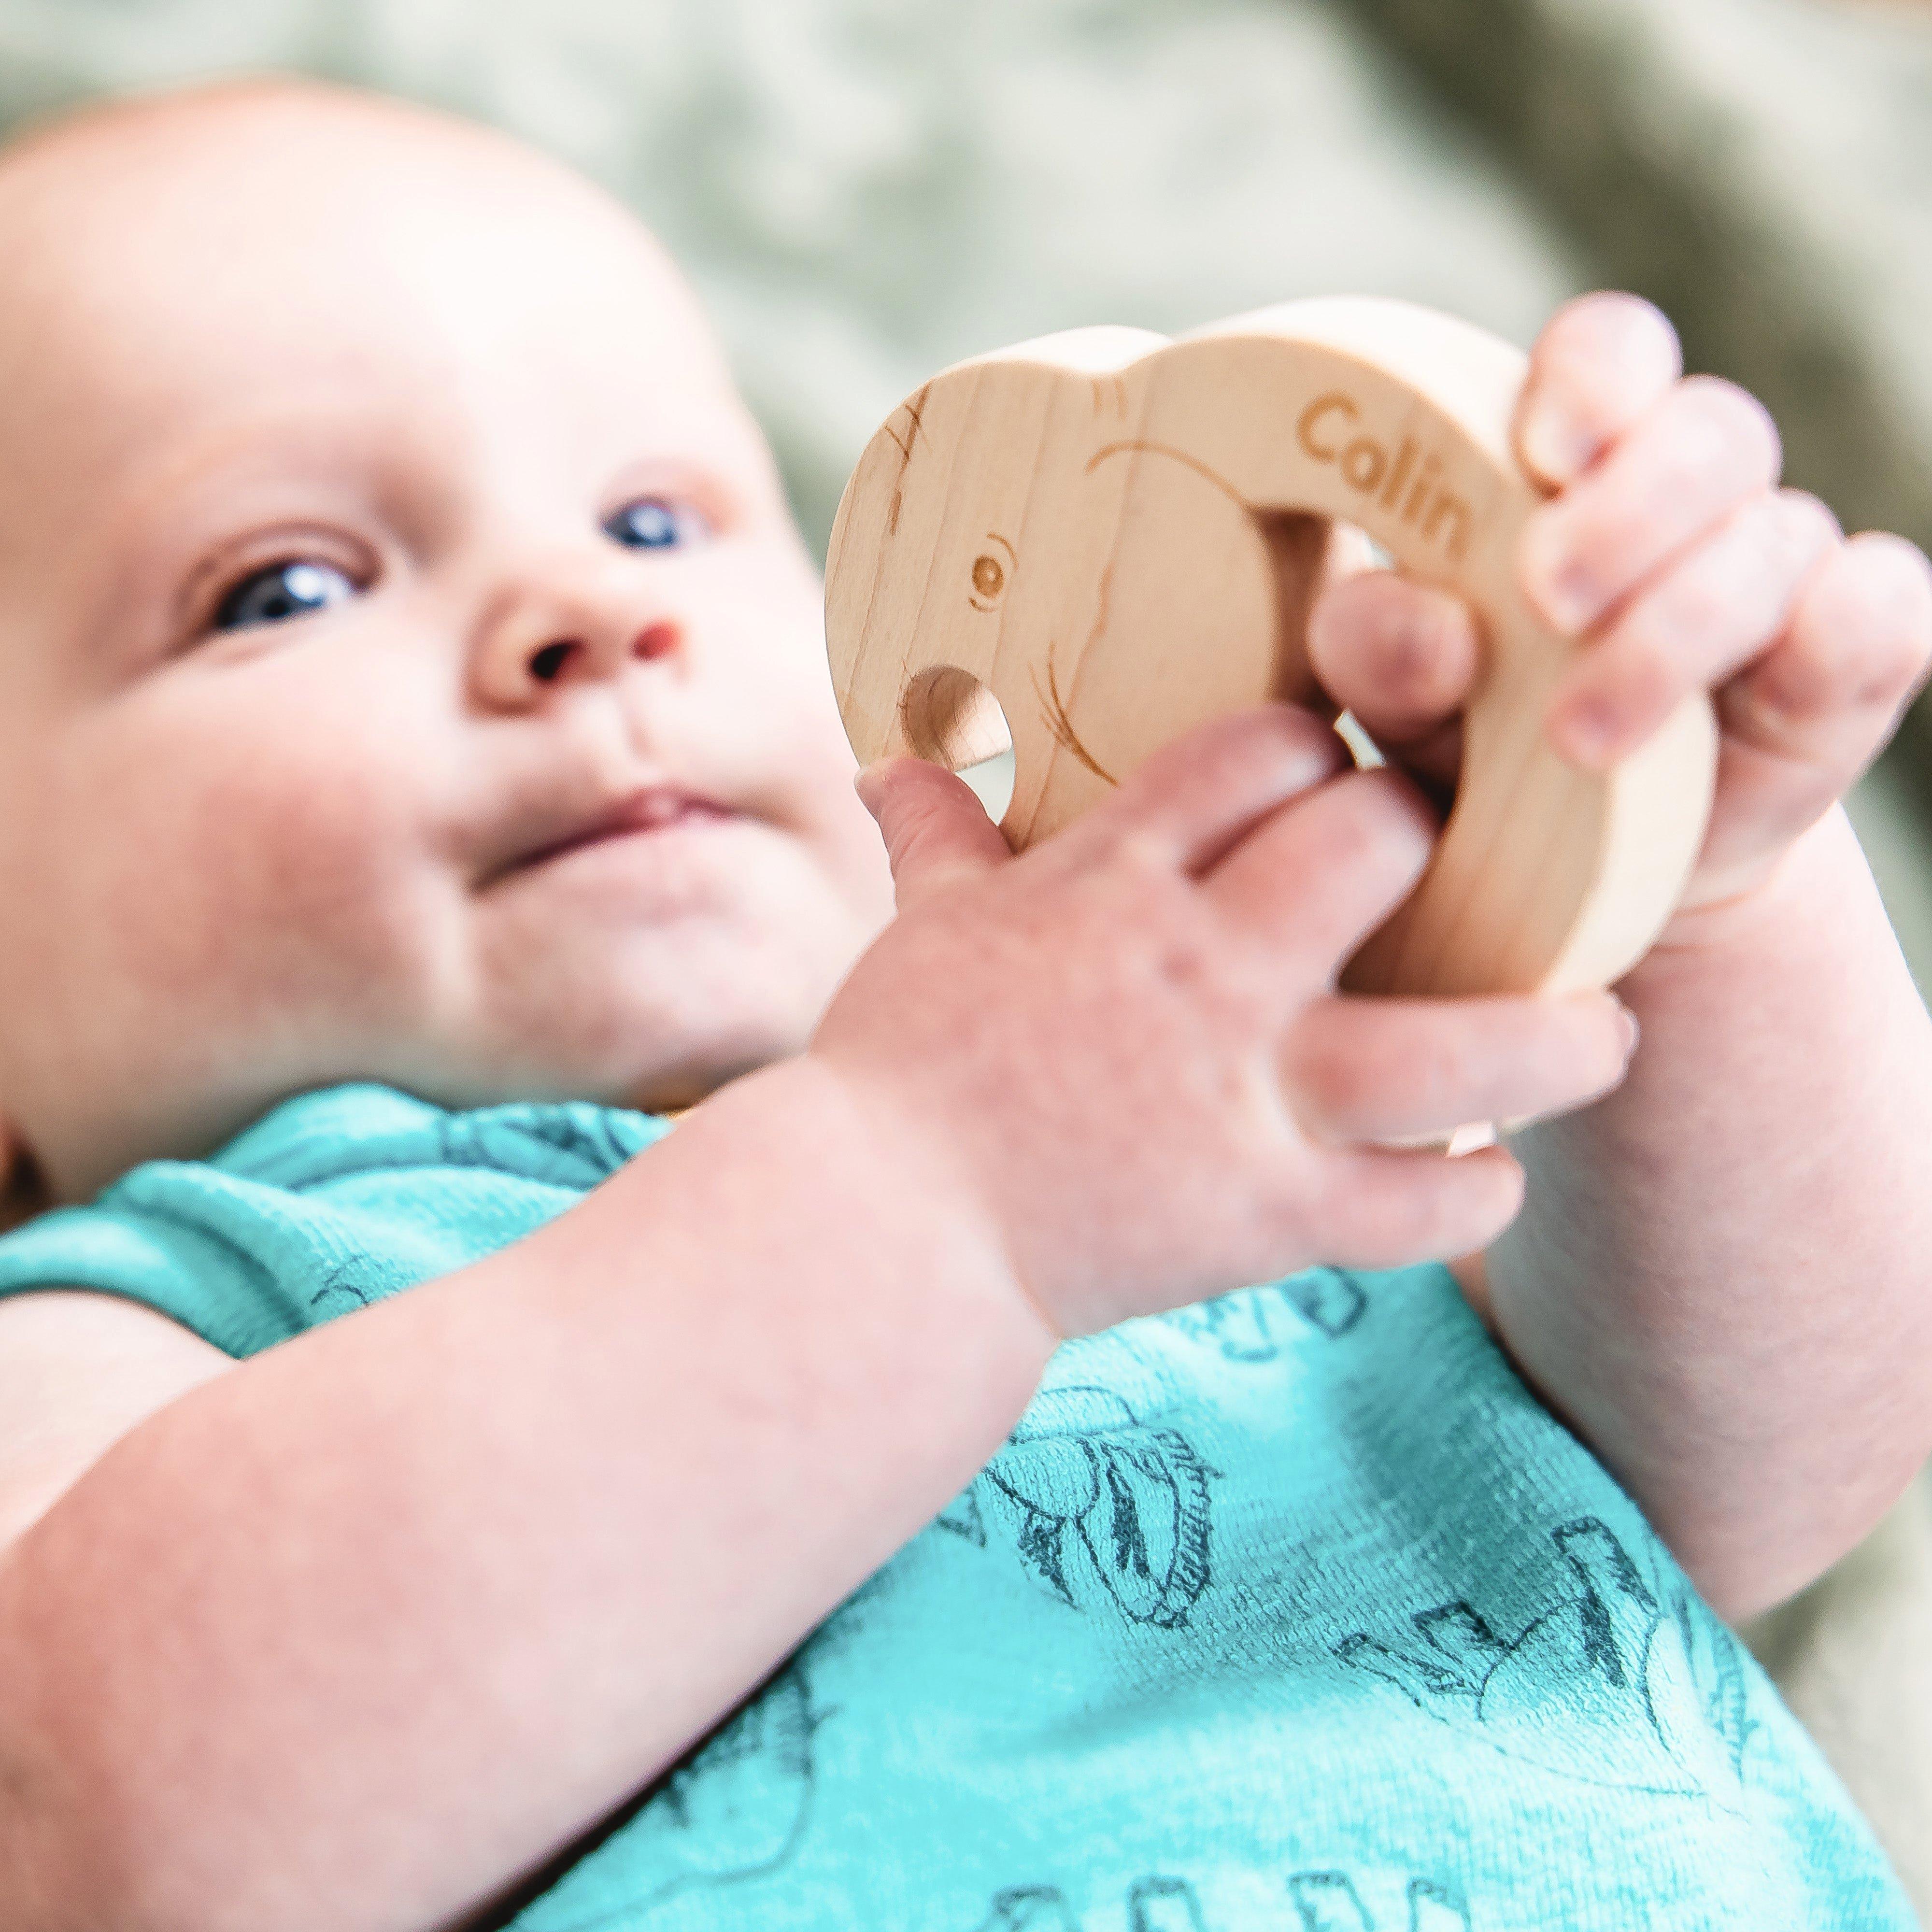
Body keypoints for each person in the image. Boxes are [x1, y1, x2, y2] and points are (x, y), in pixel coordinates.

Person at [0, 74, 1926, 1932]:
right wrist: (936, 1188)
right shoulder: (135, 1319)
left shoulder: (1209, 1115)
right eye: (282, 588)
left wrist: (1686, 874)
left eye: (657, 520)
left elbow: (1750, 1473)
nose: (584, 613)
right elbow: (117, 1832)